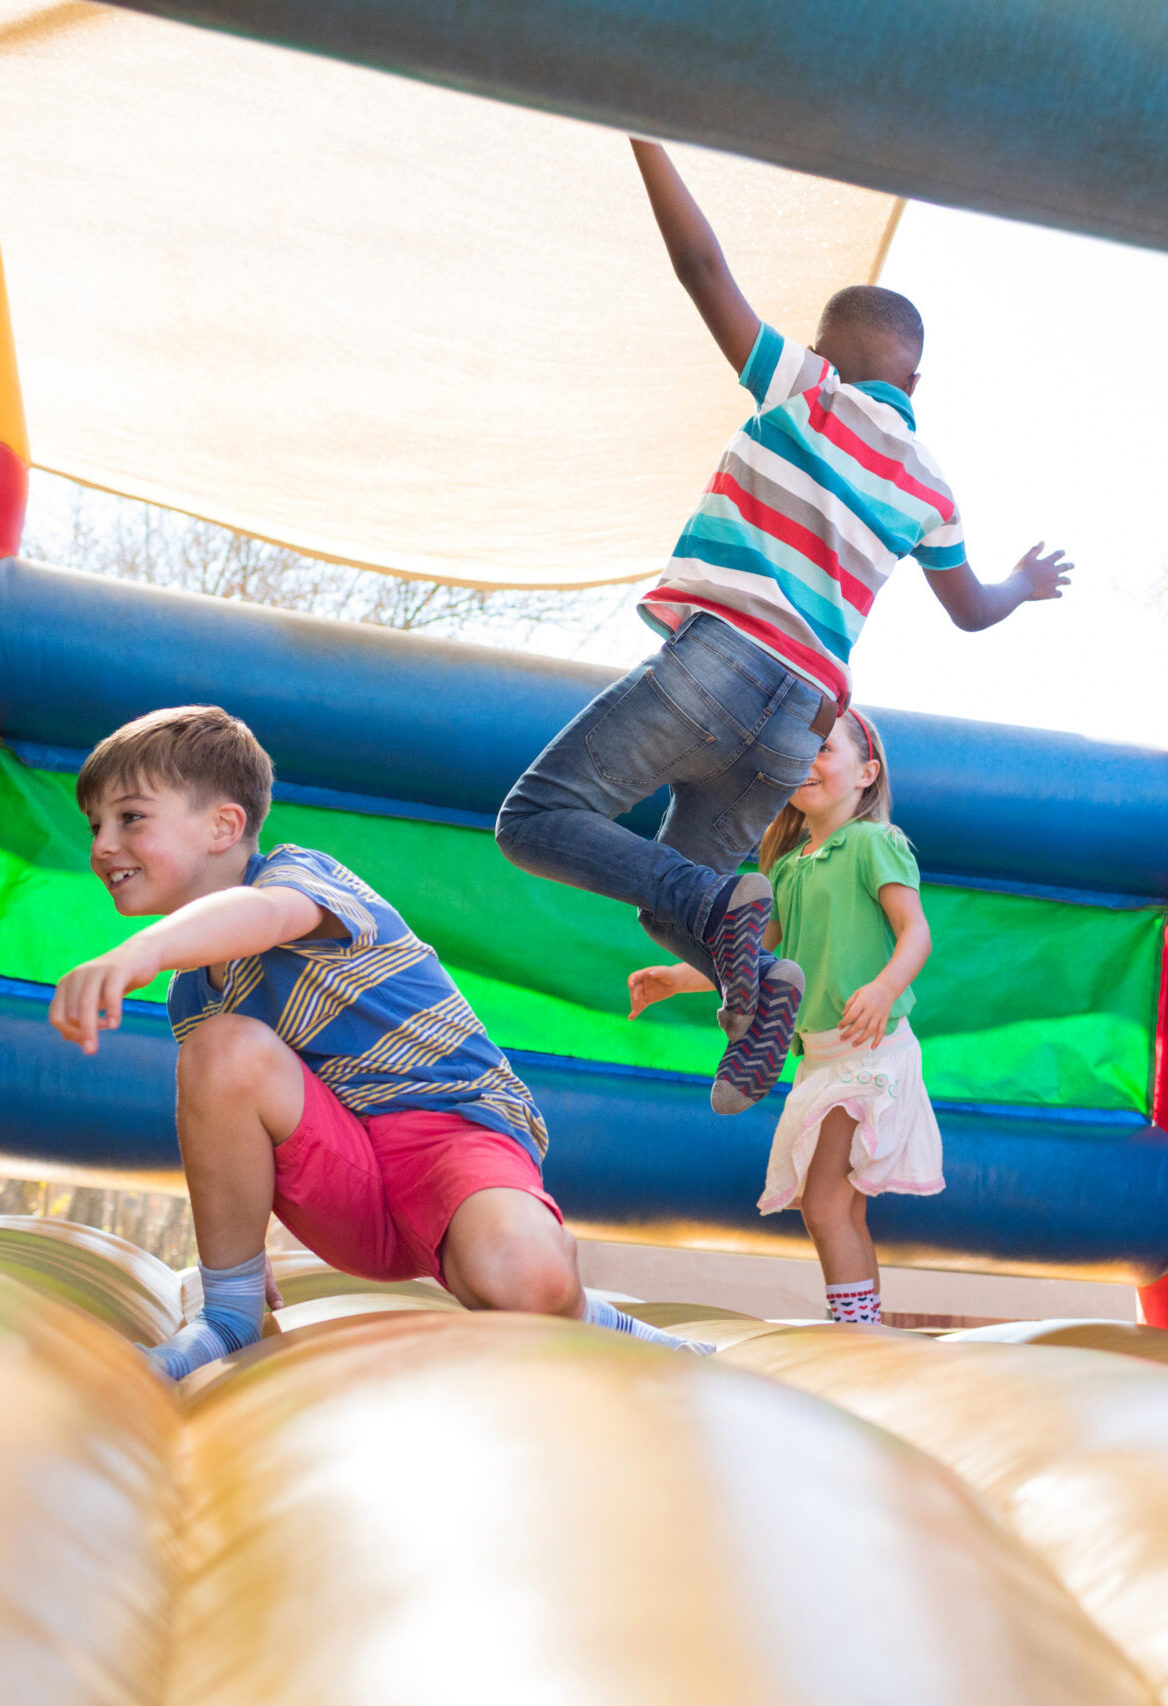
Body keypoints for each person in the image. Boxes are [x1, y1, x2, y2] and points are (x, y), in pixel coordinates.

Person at [496, 137, 1070, 1118]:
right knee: (671, 894)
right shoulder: (930, 484)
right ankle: (761, 991)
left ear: (823, 349)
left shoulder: (806, 388)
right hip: (800, 715)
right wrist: (1018, 582)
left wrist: (644, 135)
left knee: (538, 817)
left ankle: (731, 935)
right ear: (916, 385)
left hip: (720, 660)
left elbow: (702, 269)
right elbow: (970, 610)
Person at [48, 705, 710, 1379]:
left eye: (130, 817)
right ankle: (229, 1316)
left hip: (451, 1138)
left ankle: (587, 1315)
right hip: (350, 1190)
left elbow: (261, 917)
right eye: (95, 824)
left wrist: (143, 951)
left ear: (224, 825)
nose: (102, 843)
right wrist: (240, 1258)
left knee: (524, 1280)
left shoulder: (299, 879)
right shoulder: (195, 996)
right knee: (222, 1050)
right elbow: (242, 1132)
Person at [628, 710, 940, 1325]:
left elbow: (916, 933)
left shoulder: (875, 843)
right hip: (821, 1057)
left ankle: (854, 1331)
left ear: (865, 772)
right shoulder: (790, 867)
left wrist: (882, 987)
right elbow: (756, 957)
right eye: (803, 754)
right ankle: (866, 1325)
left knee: (825, 1202)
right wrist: (674, 979)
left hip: (871, 1051)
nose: (811, 763)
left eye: (825, 750)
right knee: (839, 1207)